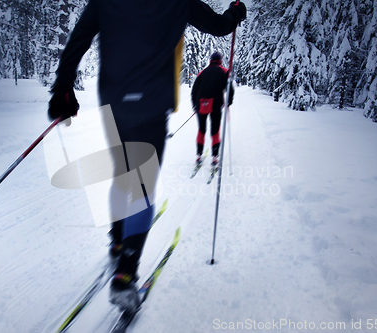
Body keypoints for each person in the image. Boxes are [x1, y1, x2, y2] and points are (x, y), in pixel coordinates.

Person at [47, 0, 246, 311]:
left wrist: (62, 89)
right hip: (152, 104)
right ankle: (125, 274)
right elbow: (219, 26)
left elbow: (79, 39)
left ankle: (116, 240)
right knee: (142, 185)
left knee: (123, 171)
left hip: (114, 102)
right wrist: (237, 11)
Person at [191, 51, 234, 166]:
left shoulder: (202, 72)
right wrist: (228, 102)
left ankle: (198, 155)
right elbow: (230, 88)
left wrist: (194, 105)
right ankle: (215, 157)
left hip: (201, 104)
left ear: (210, 60)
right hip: (216, 104)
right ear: (220, 60)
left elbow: (194, 90)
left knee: (201, 130)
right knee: (215, 131)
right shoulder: (225, 71)